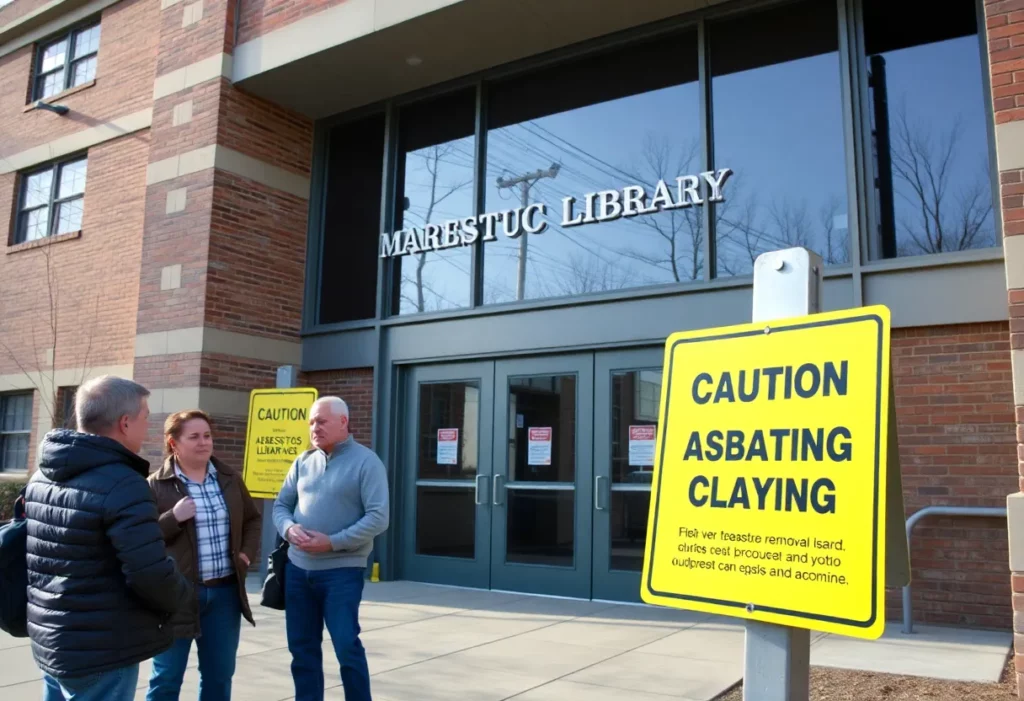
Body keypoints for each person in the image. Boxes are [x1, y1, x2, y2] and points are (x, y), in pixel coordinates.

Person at [24, 375, 192, 701]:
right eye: (146, 417)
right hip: (100, 648)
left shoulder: (42, 474)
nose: (149, 426)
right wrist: (183, 595)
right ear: (125, 424)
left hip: (53, 639)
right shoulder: (124, 483)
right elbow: (149, 571)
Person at [273, 396, 390, 701]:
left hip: (342, 573)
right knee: (302, 650)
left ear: (343, 422)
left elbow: (379, 517)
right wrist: (289, 528)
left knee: (346, 647)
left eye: (321, 421)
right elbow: (281, 505)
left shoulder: (367, 462)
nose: (315, 427)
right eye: (311, 421)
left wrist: (332, 541)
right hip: (298, 572)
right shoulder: (303, 461)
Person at [146, 409, 263, 701]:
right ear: (174, 443)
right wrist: (173, 517)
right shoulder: (155, 485)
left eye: (207, 436)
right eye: (194, 437)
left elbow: (252, 519)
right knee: (167, 679)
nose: (203, 442)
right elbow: (142, 538)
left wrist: (246, 555)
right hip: (177, 596)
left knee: (219, 677)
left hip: (224, 594)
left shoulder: (229, 478)